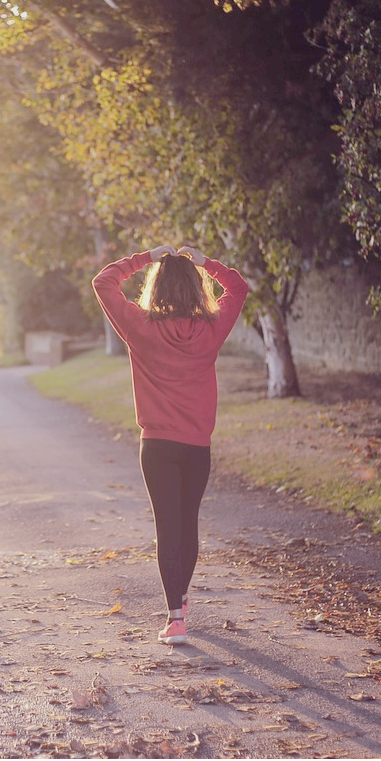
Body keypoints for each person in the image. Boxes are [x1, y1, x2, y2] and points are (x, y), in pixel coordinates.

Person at [92, 244, 250, 645]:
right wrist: (205, 263)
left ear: (156, 288)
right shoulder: (211, 329)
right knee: (188, 523)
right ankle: (179, 598)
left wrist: (146, 257)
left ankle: (175, 617)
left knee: (168, 527)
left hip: (157, 446)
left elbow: (103, 281)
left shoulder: (140, 327)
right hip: (197, 446)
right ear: (196, 289)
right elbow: (239, 287)